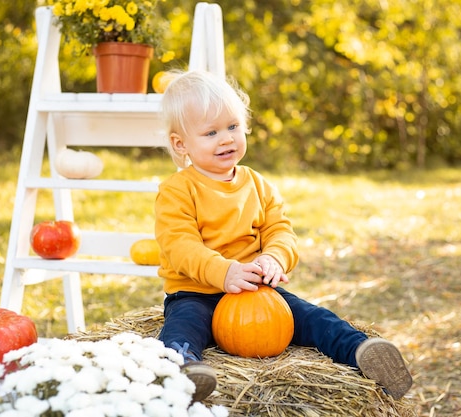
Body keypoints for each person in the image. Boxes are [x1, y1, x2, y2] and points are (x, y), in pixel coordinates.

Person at [154, 70, 413, 402]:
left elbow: (281, 230)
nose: (226, 139)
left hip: (256, 292)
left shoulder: (258, 185)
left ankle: (363, 352)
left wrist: (274, 257)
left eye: (233, 126)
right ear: (181, 144)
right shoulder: (177, 190)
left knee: (312, 317)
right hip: (196, 292)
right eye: (211, 132)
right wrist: (224, 271)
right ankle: (183, 372)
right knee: (182, 330)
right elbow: (179, 246)